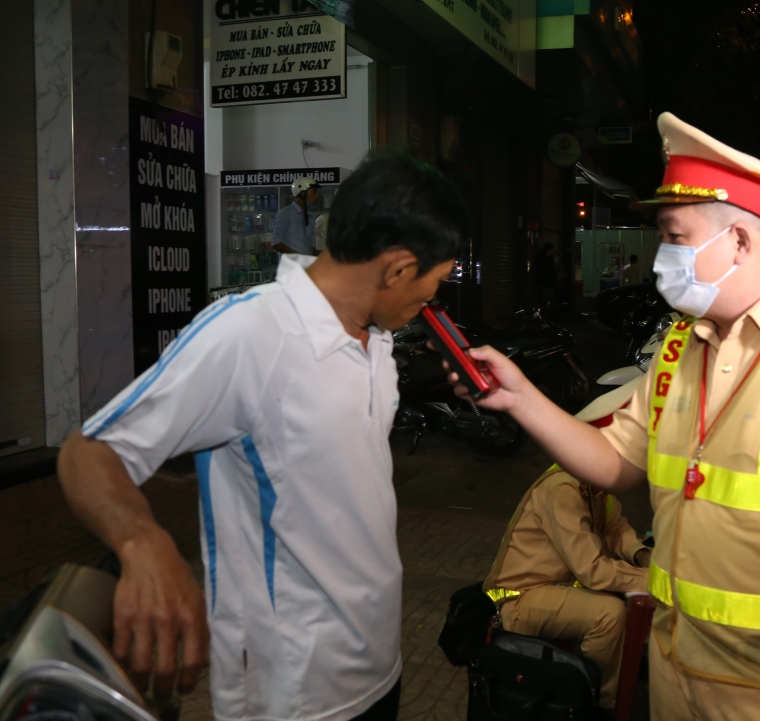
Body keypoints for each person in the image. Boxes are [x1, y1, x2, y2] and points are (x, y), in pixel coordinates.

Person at [445, 112, 760, 721]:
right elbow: (615, 464)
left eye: (675, 236)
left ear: (740, 242)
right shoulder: (679, 348)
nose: (661, 256)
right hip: (677, 683)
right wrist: (519, 398)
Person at [56, 152, 471, 721]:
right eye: (433, 283)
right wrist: (141, 543)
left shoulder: (375, 338)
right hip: (294, 692)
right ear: (397, 268)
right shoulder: (251, 332)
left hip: (376, 663)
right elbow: (91, 451)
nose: (432, 301)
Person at [484, 380, 651, 710]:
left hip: (557, 584)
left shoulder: (592, 479)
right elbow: (593, 572)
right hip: (521, 597)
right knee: (609, 613)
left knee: (622, 594)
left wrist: (642, 555)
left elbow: (615, 527)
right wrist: (654, 581)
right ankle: (602, 705)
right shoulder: (563, 487)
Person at [271, 176, 320, 255]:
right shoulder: (285, 214)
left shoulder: (310, 218)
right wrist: (298, 257)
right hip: (291, 266)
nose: (317, 196)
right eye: (314, 192)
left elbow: (310, 247)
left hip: (305, 266)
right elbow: (276, 243)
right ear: (302, 193)